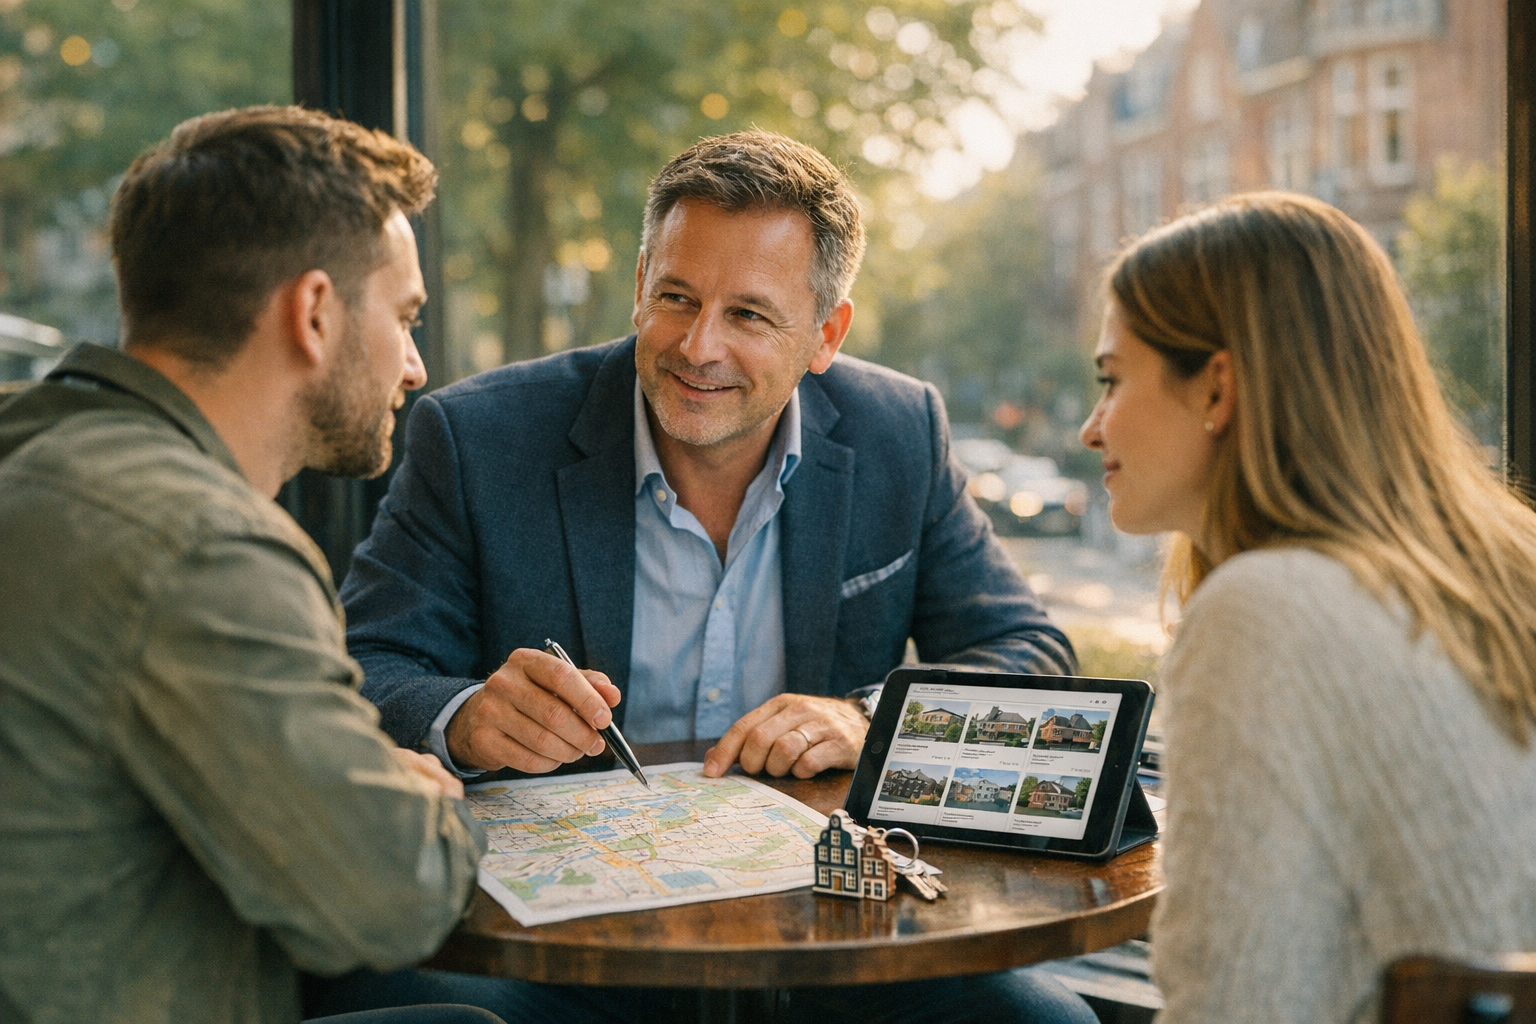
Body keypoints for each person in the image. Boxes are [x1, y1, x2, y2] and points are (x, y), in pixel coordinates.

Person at [340, 130, 1091, 1023]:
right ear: (638, 286)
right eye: (677, 298)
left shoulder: (900, 432)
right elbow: (359, 670)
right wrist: (465, 718)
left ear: (826, 334)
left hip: (828, 939)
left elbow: (1031, 655)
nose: (699, 346)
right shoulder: (476, 438)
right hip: (565, 948)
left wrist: (866, 716)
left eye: (749, 315)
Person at [0, 105, 504, 1024]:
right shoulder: (202, 546)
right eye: (405, 317)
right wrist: (421, 798)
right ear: (313, 312)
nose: (417, 367)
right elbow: (392, 897)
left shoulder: (30, 448)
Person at [1078, 191, 1536, 1022]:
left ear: (1217, 387)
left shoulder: (1265, 612)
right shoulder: (1504, 561)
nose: (1090, 426)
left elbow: (1239, 1003)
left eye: (1111, 380)